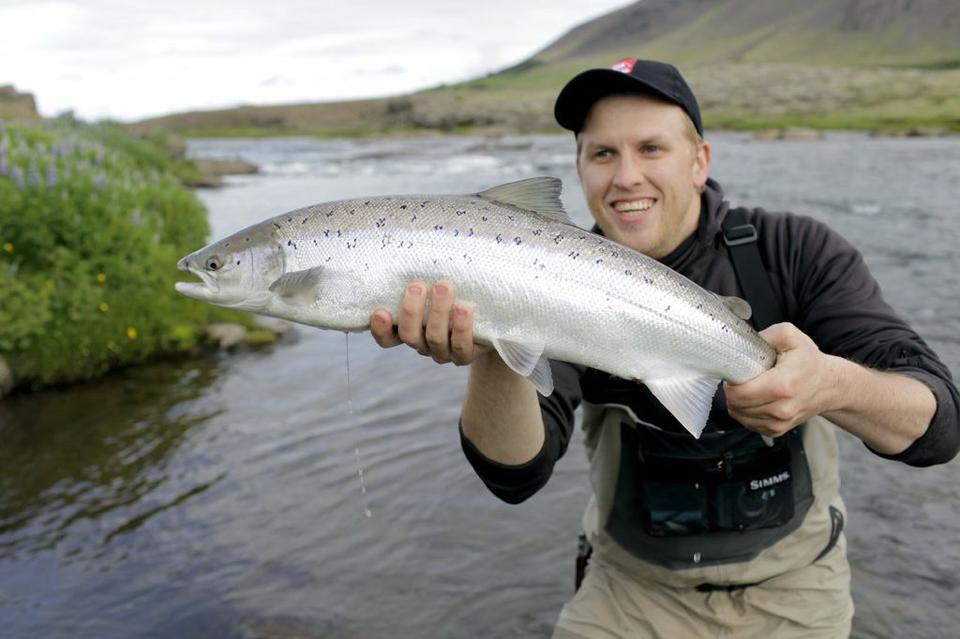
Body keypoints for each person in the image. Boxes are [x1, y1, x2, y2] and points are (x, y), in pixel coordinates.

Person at [368, 58, 960, 638]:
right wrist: (496, 340)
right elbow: (516, 477)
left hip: (798, 592)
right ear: (578, 167)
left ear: (700, 161)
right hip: (627, 594)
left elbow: (938, 427)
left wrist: (832, 385)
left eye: (651, 149)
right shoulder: (543, 274)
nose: (625, 177)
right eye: (602, 153)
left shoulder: (793, 250)